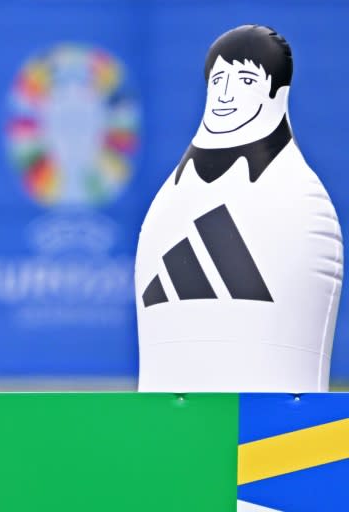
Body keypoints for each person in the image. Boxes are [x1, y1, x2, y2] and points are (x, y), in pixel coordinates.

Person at [135, 25, 343, 392]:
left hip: (276, 436)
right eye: (219, 81)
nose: (227, 94)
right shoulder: (174, 198)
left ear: (276, 91)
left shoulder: (293, 192)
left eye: (246, 80)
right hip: (167, 432)